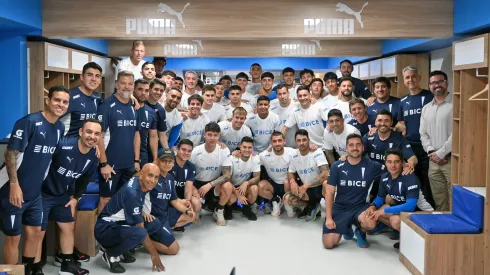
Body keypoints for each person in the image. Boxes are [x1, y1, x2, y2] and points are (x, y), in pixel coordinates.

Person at [0, 86, 69, 274]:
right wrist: (14, 185)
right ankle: (11, 273)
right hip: (11, 190)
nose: (60, 105)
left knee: (35, 232)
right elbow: (10, 153)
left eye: (64, 102)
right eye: (57, 100)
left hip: (34, 192)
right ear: (48, 100)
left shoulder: (60, 127)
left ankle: (29, 270)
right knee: (14, 237)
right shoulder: (29, 122)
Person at [34, 119, 100, 275]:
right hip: (41, 193)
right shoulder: (63, 145)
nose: (92, 136)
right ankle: (35, 268)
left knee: (68, 226)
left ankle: (67, 264)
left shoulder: (93, 155)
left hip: (62, 194)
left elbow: (84, 180)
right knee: (38, 232)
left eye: (96, 133)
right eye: (89, 132)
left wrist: (75, 198)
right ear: (80, 132)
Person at [94, 164, 165, 274]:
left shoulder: (140, 183)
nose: (153, 180)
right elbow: (140, 227)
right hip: (105, 229)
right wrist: (154, 254)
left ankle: (121, 248)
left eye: (156, 177)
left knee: (154, 223)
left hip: (118, 223)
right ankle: (110, 254)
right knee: (140, 232)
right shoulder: (132, 192)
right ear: (141, 175)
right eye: (150, 175)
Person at [323, 133, 384, 249]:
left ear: (363, 147)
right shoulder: (337, 166)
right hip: (340, 207)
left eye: (358, 145)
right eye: (351, 145)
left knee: (370, 223)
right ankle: (348, 227)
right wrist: (329, 218)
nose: (355, 148)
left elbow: (392, 170)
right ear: (346, 148)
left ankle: (360, 230)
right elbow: (329, 193)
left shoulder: (372, 165)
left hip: (361, 207)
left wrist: (406, 165)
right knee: (328, 243)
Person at [96, 71, 141, 212]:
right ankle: (100, 232)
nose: (126, 87)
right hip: (110, 166)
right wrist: (103, 163)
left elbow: (136, 135)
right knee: (106, 200)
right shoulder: (106, 106)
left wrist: (137, 160)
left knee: (125, 199)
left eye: (130, 84)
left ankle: (117, 231)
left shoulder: (134, 106)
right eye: (123, 83)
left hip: (129, 165)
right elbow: (99, 136)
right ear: (116, 84)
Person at [142, 150, 196, 256]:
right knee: (174, 249)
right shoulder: (151, 177)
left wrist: (187, 210)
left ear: (173, 163)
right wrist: (143, 212)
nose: (167, 164)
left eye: (170, 161)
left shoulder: (170, 178)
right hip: (153, 218)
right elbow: (139, 197)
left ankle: (156, 234)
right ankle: (141, 240)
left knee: (190, 216)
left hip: (164, 214)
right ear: (157, 161)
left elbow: (174, 200)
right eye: (164, 161)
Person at [395, 66, 435, 206]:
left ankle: (430, 211)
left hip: (428, 147)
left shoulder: (429, 96)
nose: (410, 79)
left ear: (419, 78)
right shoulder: (403, 100)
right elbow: (401, 123)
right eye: (407, 77)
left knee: (427, 181)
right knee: (411, 180)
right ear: (404, 80)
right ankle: (413, 211)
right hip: (410, 147)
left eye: (413, 76)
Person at [369, 148, 421, 249]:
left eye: (396, 162)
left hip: (422, 212)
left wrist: (384, 211)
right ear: (385, 163)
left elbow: (410, 206)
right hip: (405, 210)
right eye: (389, 162)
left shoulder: (410, 177)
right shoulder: (385, 177)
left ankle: (412, 240)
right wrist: (372, 206)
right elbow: (380, 198)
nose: (393, 165)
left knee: (395, 220)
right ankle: (401, 232)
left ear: (402, 163)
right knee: (375, 212)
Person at [420, 70, 452, 211]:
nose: (436, 85)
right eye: (433, 83)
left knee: (454, 198)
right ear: (429, 86)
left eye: (439, 81)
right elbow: (423, 134)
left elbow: (458, 133)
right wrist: (432, 152)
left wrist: (442, 153)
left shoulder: (456, 104)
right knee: (439, 199)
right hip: (433, 160)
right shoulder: (426, 108)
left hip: (451, 159)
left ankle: (457, 231)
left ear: (446, 83)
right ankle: (443, 229)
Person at [190, 122, 233, 226]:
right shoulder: (196, 151)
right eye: (209, 134)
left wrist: (210, 185)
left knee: (228, 186)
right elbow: (189, 176)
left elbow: (227, 175)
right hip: (198, 184)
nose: (212, 138)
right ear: (204, 135)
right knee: (195, 217)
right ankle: (197, 208)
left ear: (219, 136)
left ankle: (219, 210)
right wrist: (193, 189)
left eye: (215, 135)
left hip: (213, 184)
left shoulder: (224, 150)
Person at [284, 130, 329, 221]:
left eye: (304, 140)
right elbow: (290, 172)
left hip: (320, 187)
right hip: (307, 190)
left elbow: (325, 173)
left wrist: (307, 185)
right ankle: (312, 206)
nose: (302, 143)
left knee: (327, 183)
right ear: (295, 141)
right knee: (287, 199)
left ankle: (329, 215)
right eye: (299, 140)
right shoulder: (294, 155)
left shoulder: (317, 152)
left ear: (309, 140)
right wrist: (292, 181)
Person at [258, 132, 296, 216]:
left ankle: (288, 203)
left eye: (279, 141)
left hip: (288, 184)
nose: (277, 144)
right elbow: (252, 159)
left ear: (284, 141)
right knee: (260, 186)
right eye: (274, 141)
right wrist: (237, 153)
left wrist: (312, 147)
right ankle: (276, 200)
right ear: (271, 143)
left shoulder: (292, 152)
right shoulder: (264, 155)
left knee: (287, 182)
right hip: (273, 185)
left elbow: (304, 152)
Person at [61, 62, 103, 137]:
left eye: (97, 76)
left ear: (100, 80)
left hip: (88, 144)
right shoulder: (69, 96)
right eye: (89, 75)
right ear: (82, 77)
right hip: (69, 144)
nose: (93, 79)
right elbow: (51, 120)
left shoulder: (98, 98)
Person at [226, 137, 261, 221]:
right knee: (231, 196)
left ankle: (246, 208)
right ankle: (228, 207)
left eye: (250, 147)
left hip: (244, 186)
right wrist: (237, 193)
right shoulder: (231, 159)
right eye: (244, 147)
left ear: (253, 148)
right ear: (240, 147)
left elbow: (257, 177)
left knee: (254, 188)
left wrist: (246, 183)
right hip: (231, 187)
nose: (247, 150)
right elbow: (226, 180)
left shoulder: (256, 158)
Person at [170, 139, 201, 219]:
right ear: (177, 149)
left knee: (197, 203)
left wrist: (187, 202)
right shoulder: (169, 162)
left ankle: (190, 218)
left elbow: (188, 187)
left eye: (189, 151)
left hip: (181, 195)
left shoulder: (191, 166)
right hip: (169, 196)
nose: (186, 153)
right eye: (183, 150)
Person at [133, 79, 159, 167]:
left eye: (146, 90)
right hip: (124, 153)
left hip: (143, 155)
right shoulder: (125, 108)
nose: (143, 93)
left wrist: (155, 158)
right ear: (133, 89)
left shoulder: (151, 112)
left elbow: (153, 136)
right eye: (140, 89)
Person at [146, 79, 170, 154]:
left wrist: (168, 153)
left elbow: (162, 135)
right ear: (149, 89)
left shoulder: (161, 110)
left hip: (150, 149)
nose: (158, 92)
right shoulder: (139, 104)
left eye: (161, 90)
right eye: (156, 89)